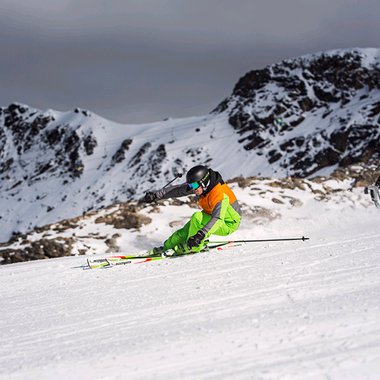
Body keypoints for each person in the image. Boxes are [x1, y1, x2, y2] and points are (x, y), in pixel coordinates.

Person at [144, 165, 242, 255]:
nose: (193, 189)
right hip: (210, 216)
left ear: (204, 182)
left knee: (197, 217)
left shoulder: (219, 194)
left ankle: (193, 247)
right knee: (182, 233)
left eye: (194, 185)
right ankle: (167, 247)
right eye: (191, 186)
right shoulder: (200, 186)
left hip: (228, 223)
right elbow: (178, 190)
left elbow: (218, 218)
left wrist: (200, 235)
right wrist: (156, 195)